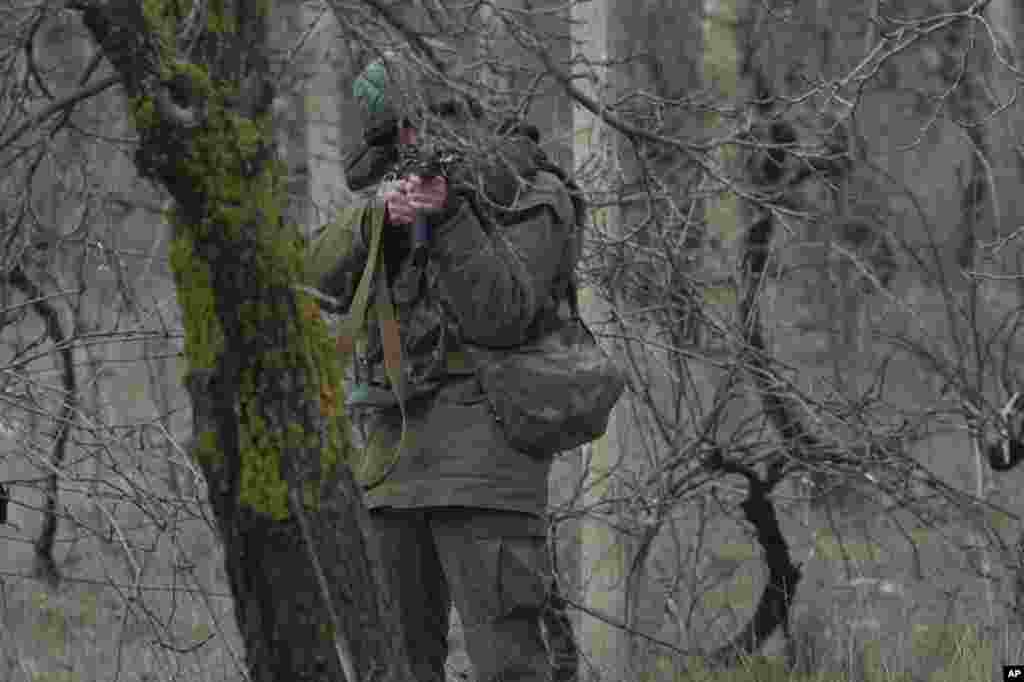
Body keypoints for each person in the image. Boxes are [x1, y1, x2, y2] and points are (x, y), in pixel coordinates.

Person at [303, 48, 581, 682]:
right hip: (391, 464)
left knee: (508, 667)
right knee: (391, 668)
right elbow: (311, 278)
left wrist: (451, 216)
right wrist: (378, 220)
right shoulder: (388, 200)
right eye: (397, 140)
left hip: (487, 462)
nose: (408, 148)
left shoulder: (531, 192)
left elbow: (502, 315)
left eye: (417, 131)